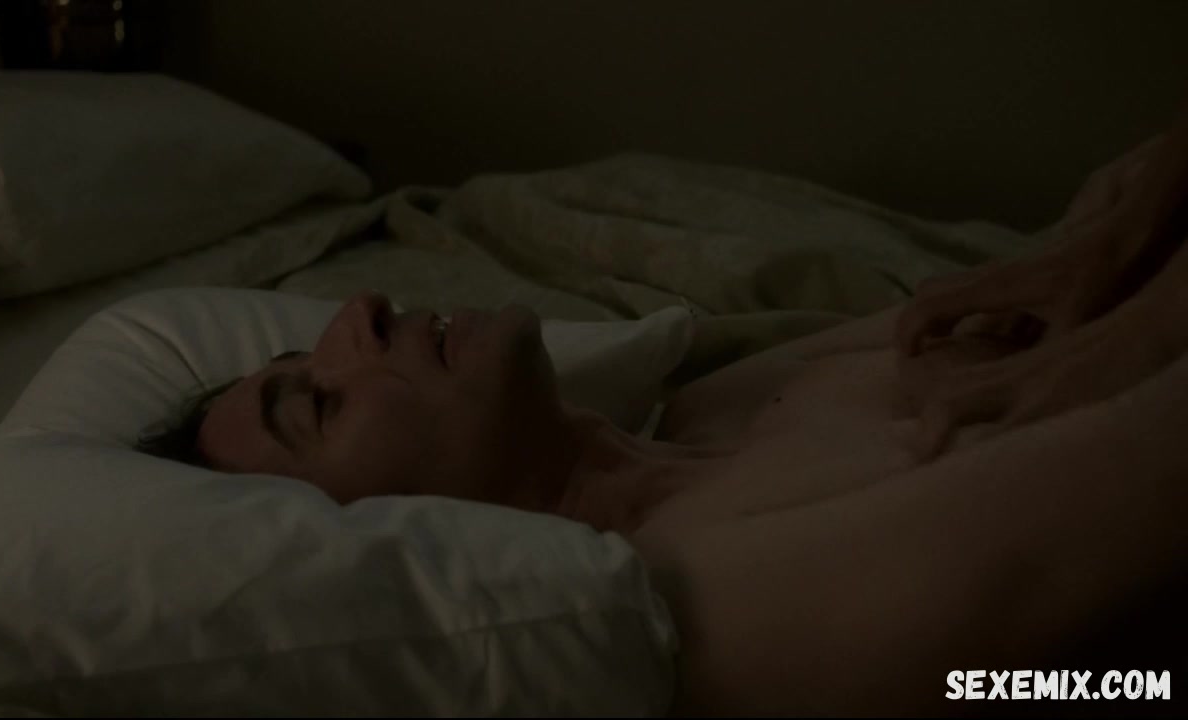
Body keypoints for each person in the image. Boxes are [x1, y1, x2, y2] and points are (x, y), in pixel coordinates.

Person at [137, 105, 1188, 715]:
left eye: (302, 356)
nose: (356, 312)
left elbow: (1068, 280)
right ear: (386, 545)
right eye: (315, 406)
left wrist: (1124, 224)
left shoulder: (709, 407)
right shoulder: (716, 605)